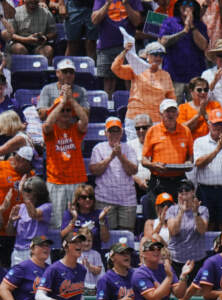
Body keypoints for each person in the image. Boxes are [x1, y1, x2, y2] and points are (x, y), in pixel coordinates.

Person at [42, 84, 89, 228]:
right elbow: (47, 124)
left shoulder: (76, 129)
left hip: (77, 181)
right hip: (57, 183)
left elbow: (85, 121)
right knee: (57, 223)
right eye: (62, 110)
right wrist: (62, 102)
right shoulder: (51, 130)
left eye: (69, 110)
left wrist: (71, 101)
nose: (66, 113)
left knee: (79, 222)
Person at [141, 99, 194, 220]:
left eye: (173, 111)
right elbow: (144, 160)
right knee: (157, 218)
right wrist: (153, 165)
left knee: (182, 218)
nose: (170, 114)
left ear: (177, 114)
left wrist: (188, 162)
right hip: (159, 181)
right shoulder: (152, 131)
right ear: (161, 114)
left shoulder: (185, 131)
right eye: (167, 111)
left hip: (179, 181)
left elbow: (190, 157)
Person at [192, 107, 222, 231]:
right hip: (206, 190)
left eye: (221, 124)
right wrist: (217, 149)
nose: (218, 127)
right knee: (207, 224)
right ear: (209, 124)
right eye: (215, 124)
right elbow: (199, 163)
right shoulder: (199, 142)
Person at [90, 117, 138, 231]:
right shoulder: (98, 148)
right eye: (111, 131)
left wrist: (121, 156)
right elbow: (95, 170)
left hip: (127, 200)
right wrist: (111, 157)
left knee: (126, 236)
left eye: (117, 131)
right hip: (105, 199)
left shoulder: (129, 148)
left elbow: (133, 171)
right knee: (107, 236)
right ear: (106, 132)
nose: (114, 134)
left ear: (121, 132)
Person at [112, 42, 176, 128]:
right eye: (155, 54)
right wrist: (124, 52)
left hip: (157, 120)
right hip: (135, 117)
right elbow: (115, 68)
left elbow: (171, 98)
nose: (158, 58)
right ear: (147, 56)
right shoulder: (137, 68)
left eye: (161, 55)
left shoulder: (166, 75)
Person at [157, 0, 209, 96]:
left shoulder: (200, 25)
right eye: (184, 3)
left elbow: (203, 45)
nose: (187, 6)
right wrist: (183, 32)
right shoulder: (169, 22)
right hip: (173, 76)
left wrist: (191, 26)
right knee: (173, 108)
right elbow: (163, 42)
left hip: (195, 77)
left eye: (190, 4)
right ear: (179, 6)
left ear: (194, 8)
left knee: (194, 109)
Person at [92, 0, 144, 95]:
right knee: (109, 82)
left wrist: (126, 4)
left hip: (128, 47)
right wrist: (107, 4)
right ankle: (108, 107)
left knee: (129, 80)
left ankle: (132, 106)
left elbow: (137, 22)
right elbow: (95, 20)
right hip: (106, 45)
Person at [165, 182, 209, 277]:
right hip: (177, 260)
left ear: (193, 192)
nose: (183, 193)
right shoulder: (172, 210)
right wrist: (181, 211)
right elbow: (173, 231)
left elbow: (201, 230)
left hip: (197, 259)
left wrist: (195, 212)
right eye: (181, 191)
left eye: (187, 190)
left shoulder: (202, 209)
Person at [8, 176, 51, 266]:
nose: (25, 192)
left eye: (28, 190)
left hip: (37, 251)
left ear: (39, 192)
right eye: (24, 190)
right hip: (18, 252)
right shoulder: (21, 207)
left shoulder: (47, 207)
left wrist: (23, 193)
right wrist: (11, 221)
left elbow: (33, 214)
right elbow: (10, 233)